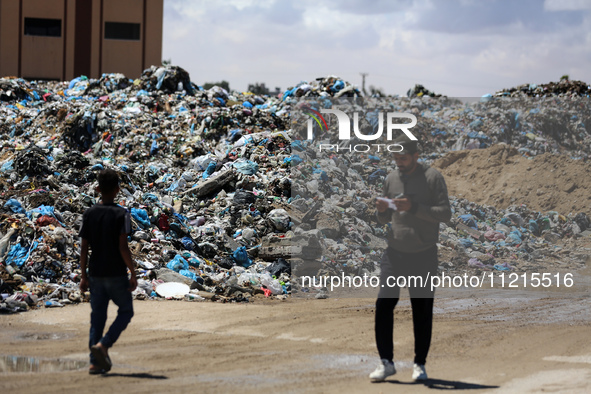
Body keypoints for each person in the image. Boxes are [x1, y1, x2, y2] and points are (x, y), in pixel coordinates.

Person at [369, 136, 451, 382]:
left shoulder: (432, 178)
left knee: (421, 310)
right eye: (396, 159)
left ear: (416, 156)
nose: (399, 163)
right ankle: (386, 362)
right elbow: (383, 220)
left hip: (423, 255)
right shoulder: (391, 179)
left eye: (403, 158)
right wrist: (381, 212)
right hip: (394, 253)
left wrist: (414, 208)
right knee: (384, 304)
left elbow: (445, 213)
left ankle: (420, 364)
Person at [79, 169, 137, 375]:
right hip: (115, 272)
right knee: (126, 311)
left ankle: (95, 362)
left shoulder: (89, 214)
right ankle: (103, 345)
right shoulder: (122, 214)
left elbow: (84, 247)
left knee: (98, 318)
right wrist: (133, 272)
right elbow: (123, 247)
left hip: (95, 272)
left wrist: (83, 276)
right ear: (117, 190)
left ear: (97, 189)